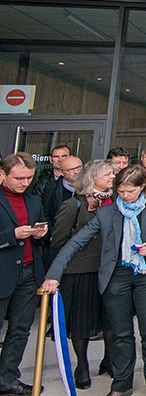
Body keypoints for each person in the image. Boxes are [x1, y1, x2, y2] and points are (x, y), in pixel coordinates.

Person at [43, 165, 146, 396]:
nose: (124, 196)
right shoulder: (106, 212)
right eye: (120, 191)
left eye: (130, 191)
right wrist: (53, 273)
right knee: (121, 334)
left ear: (142, 187)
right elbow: (75, 242)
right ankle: (122, 384)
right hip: (116, 278)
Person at [48, 159, 116, 388]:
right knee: (81, 322)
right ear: (92, 177)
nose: (112, 178)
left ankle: (109, 361)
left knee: (109, 319)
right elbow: (58, 241)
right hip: (80, 272)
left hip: (107, 269)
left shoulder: (115, 201)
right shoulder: (73, 205)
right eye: (108, 174)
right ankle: (83, 366)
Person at [0, 153, 49, 396]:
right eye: (19, 178)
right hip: (2, 273)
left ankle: (7, 380)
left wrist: (42, 233)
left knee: (20, 330)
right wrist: (12, 236)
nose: (25, 182)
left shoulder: (33, 200)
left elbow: (42, 231)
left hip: (29, 272)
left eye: (29, 177)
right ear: (2, 174)